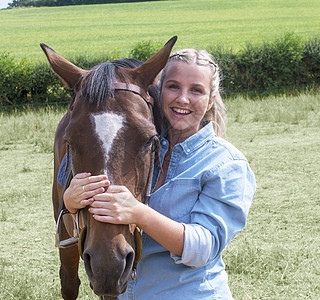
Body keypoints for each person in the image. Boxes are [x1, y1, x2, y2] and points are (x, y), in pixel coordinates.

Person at [61, 49, 256, 299]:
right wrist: (72, 204)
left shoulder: (226, 163)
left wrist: (139, 213)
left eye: (196, 90)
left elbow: (204, 248)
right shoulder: (138, 150)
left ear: (210, 99)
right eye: (173, 87)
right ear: (158, 91)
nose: (182, 99)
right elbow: (84, 228)